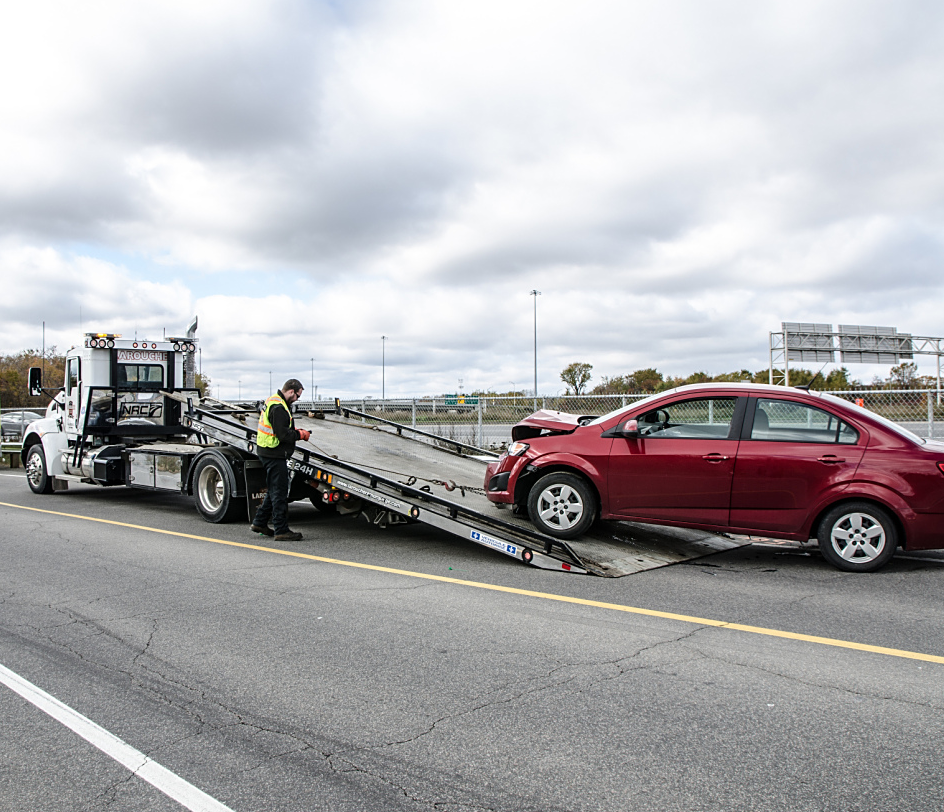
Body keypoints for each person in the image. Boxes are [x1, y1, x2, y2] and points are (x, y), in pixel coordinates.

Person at [250, 378, 311, 541]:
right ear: (291, 391)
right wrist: (300, 434)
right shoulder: (279, 407)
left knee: (273, 490)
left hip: (268, 451)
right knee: (280, 492)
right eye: (297, 396)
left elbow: (280, 427)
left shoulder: (274, 401)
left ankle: (259, 522)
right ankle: (281, 530)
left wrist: (294, 430)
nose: (297, 399)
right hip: (273, 453)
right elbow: (282, 435)